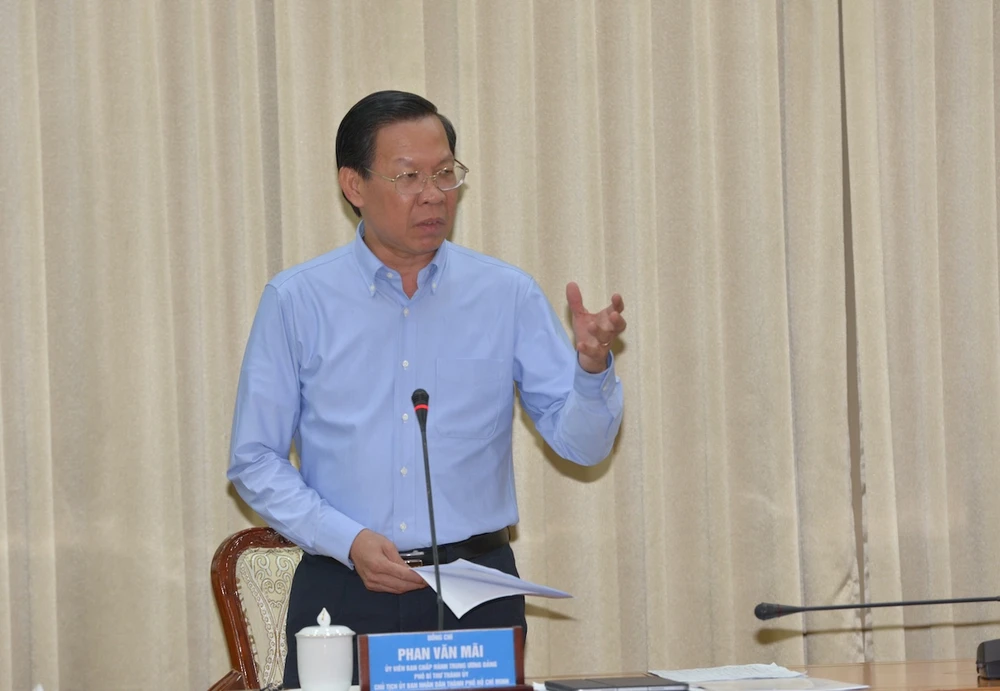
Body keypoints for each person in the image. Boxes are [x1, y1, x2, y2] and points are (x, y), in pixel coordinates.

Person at [227, 90, 626, 688]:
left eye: (445, 173)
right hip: (343, 587)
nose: (434, 193)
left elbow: (583, 446)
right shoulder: (297, 300)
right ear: (354, 185)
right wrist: (348, 539)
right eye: (409, 176)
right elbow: (254, 460)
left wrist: (592, 370)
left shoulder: (506, 294)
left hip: (475, 589)